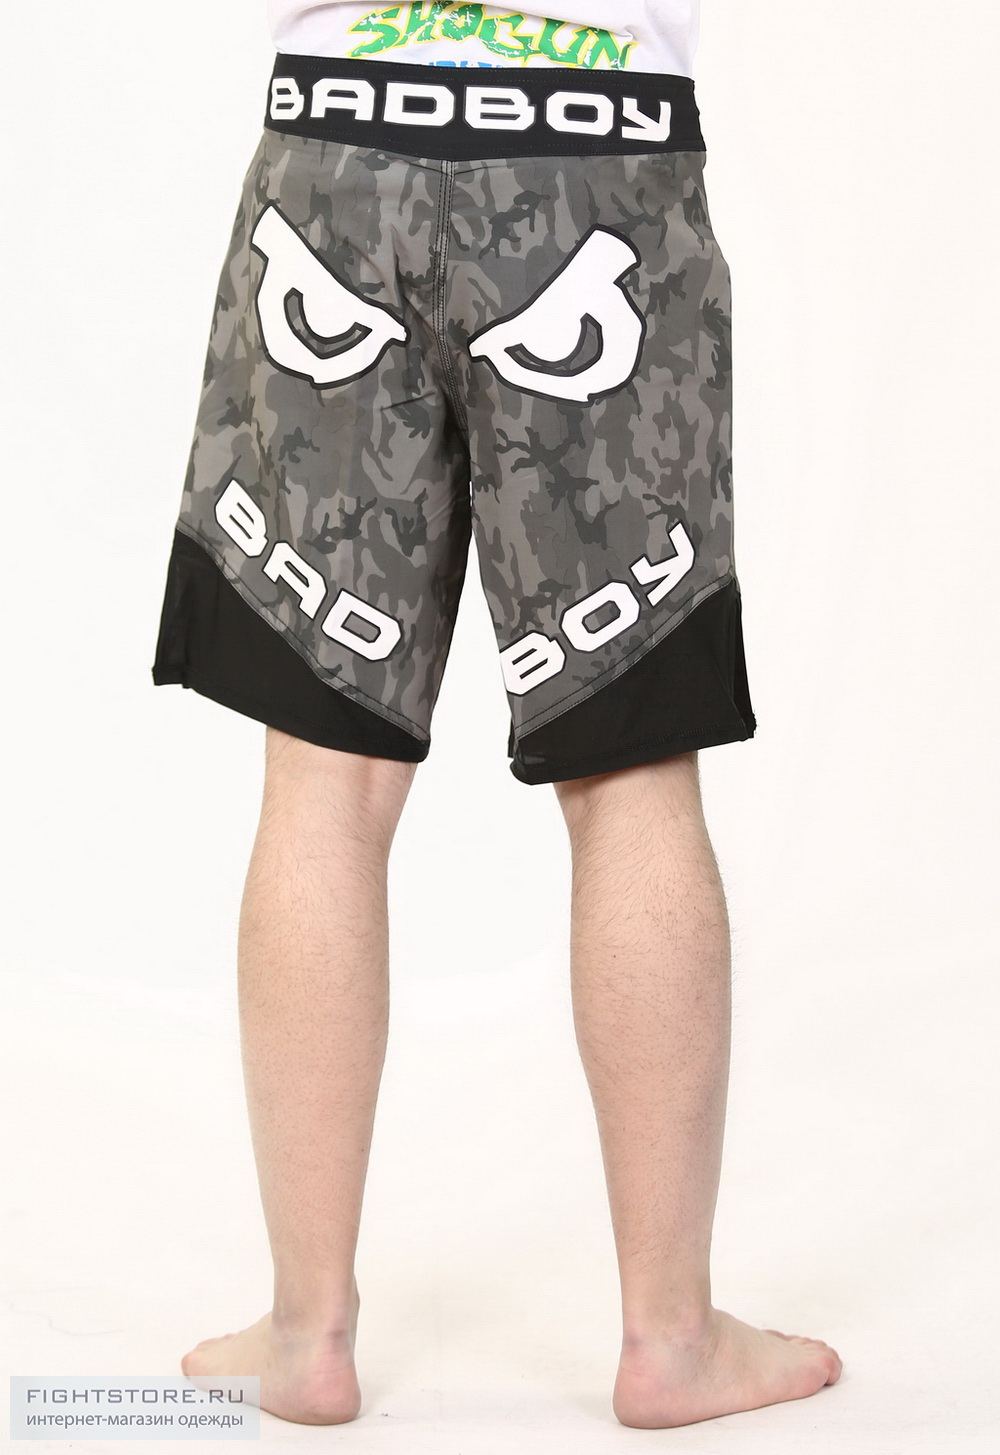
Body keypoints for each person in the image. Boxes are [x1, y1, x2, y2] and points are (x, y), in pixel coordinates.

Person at [152, 0, 842, 1428]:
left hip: (336, 152)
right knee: (633, 768)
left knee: (323, 778)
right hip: (597, 164)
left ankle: (307, 1334)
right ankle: (670, 1340)